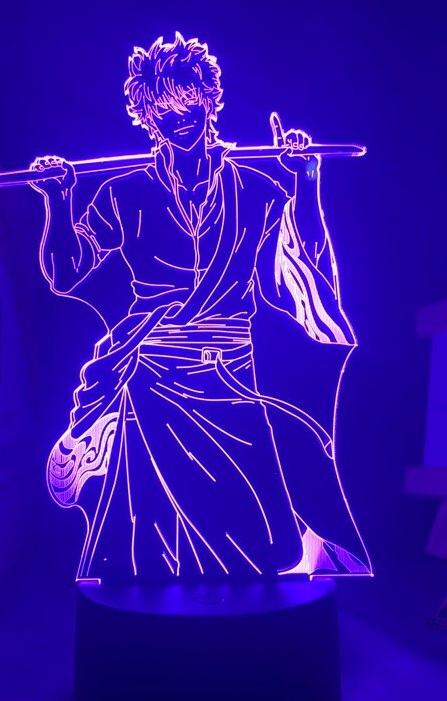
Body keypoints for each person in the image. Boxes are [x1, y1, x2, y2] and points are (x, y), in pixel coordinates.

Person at [32, 33, 371, 581]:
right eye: (164, 111)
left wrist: (307, 181)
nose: (179, 119)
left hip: (231, 372)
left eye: (189, 104)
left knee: (264, 537)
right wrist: (58, 199)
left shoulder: (256, 190)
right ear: (146, 117)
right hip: (153, 372)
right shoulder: (124, 193)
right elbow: (66, 273)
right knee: (151, 532)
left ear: (209, 101)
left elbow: (300, 263)